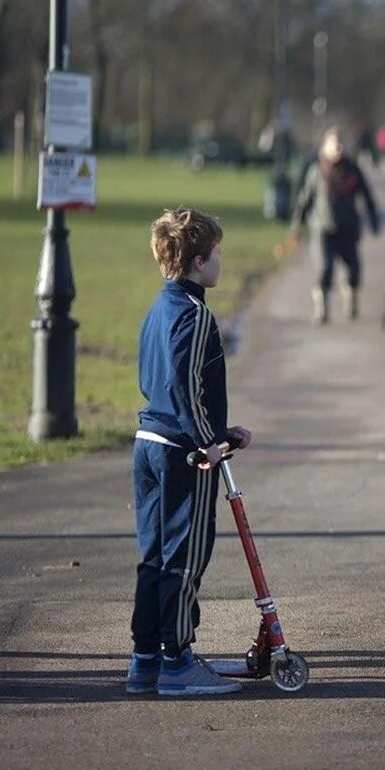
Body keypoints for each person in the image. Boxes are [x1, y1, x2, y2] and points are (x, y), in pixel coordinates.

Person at [127, 207, 254, 696]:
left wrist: (221, 429)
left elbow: (157, 381)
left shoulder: (157, 308)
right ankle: (177, 661)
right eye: (218, 252)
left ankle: (145, 659)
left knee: (154, 558)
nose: (222, 260)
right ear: (200, 262)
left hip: (148, 442)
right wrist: (211, 442)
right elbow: (186, 389)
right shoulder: (196, 314)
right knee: (185, 556)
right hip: (184, 452)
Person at [291, 126, 380, 324]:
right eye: (334, 143)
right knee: (325, 269)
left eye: (341, 143)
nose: (338, 147)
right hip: (323, 228)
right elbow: (304, 199)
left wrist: (374, 221)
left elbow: (367, 196)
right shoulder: (317, 170)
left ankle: (351, 296)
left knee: (354, 269)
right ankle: (321, 308)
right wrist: (296, 226)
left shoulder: (353, 169)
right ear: (325, 146)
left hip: (348, 228)